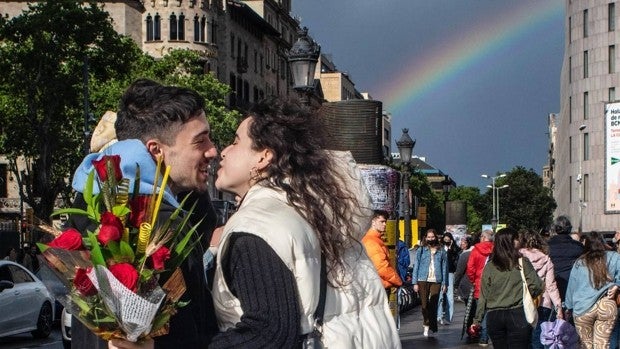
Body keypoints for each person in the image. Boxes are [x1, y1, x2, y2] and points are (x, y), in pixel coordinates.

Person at [206, 98, 400, 347]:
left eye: (235, 141)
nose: (223, 151)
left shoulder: (257, 226)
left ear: (264, 157)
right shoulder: (320, 217)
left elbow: (268, 333)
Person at [68, 79, 219, 349]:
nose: (213, 150)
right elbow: (186, 328)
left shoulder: (92, 197)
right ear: (156, 150)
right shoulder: (149, 219)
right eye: (200, 141)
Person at [471, 228, 544, 349]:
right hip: (517, 313)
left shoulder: (490, 266)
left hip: (494, 316)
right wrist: (526, 294)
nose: (519, 240)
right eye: (516, 238)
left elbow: (483, 296)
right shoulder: (522, 262)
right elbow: (537, 285)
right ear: (509, 242)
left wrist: (477, 321)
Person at [565, 231, 620, 349]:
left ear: (586, 244)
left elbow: (572, 287)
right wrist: (616, 285)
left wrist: (568, 307)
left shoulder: (579, 263)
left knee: (586, 345)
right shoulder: (614, 257)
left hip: (583, 308)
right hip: (607, 305)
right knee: (602, 344)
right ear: (602, 243)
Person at [518, 229, 564, 349]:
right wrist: (558, 307)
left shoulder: (518, 258)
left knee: (522, 337)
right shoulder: (546, 259)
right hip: (542, 302)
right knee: (539, 336)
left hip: (522, 301)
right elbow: (551, 286)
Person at [412, 228, 449, 337]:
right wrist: (414, 282)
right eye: (429, 237)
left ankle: (431, 325)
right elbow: (416, 266)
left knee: (433, 303)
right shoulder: (421, 250)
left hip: (436, 280)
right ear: (425, 238)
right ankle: (426, 322)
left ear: (436, 237)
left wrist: (445, 283)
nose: (431, 239)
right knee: (424, 305)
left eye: (432, 237)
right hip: (422, 279)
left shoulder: (441, 250)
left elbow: (444, 267)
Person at [466, 229, 494, 346]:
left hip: (479, 284)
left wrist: (473, 280)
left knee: (480, 312)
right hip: (493, 285)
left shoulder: (475, 250)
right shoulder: (495, 250)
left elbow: (470, 268)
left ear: (482, 237)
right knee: (489, 312)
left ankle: (482, 337)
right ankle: (485, 336)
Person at [362, 210, 403, 290]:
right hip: (376, 287)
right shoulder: (371, 241)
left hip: (376, 285)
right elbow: (381, 267)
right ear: (373, 222)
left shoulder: (374, 239)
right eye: (382, 221)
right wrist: (398, 282)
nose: (385, 224)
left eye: (385, 222)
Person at [548, 215, 583, 302]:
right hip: (573, 288)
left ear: (555, 229)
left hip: (552, 287)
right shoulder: (578, 247)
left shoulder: (547, 246)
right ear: (569, 229)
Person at [437, 231, 459, 325]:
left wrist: (450, 249)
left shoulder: (454, 250)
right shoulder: (440, 249)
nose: (446, 241)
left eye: (448, 240)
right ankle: (439, 316)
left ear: (451, 241)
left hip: (450, 273)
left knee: (449, 297)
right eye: (445, 240)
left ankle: (448, 317)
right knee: (440, 296)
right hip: (440, 273)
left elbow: (453, 262)